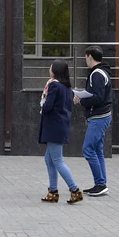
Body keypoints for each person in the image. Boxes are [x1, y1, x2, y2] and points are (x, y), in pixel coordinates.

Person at [39, 60, 83, 204]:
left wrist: (43, 106)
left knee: (57, 160)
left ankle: (75, 190)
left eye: (50, 66)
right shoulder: (66, 88)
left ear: (55, 70)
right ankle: (52, 191)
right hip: (60, 125)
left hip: (54, 126)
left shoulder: (54, 85)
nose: (49, 68)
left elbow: (48, 106)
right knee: (49, 159)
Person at [73, 45, 113, 197]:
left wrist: (80, 100)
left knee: (88, 149)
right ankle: (101, 183)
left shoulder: (97, 74)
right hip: (102, 116)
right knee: (97, 151)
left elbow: (97, 97)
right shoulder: (102, 72)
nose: (85, 60)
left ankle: (100, 184)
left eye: (85, 57)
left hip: (98, 117)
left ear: (89, 56)